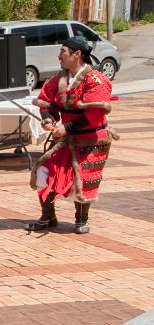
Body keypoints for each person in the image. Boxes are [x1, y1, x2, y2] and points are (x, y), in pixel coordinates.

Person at [28, 37, 117, 235]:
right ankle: (48, 216)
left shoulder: (96, 80)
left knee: (84, 178)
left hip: (91, 139)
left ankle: (82, 218)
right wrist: (49, 119)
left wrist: (67, 127)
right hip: (65, 139)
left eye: (63, 52)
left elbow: (94, 114)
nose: (59, 56)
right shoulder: (57, 80)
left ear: (77, 54)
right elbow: (47, 102)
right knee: (43, 170)